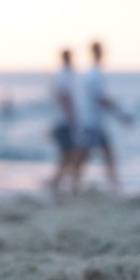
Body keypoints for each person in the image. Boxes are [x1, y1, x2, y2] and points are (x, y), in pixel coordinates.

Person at [74, 41, 133, 193]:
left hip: (96, 122)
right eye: (101, 50)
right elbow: (101, 98)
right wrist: (121, 114)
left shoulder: (92, 73)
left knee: (107, 153)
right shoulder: (95, 74)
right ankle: (76, 183)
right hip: (92, 122)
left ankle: (113, 184)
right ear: (97, 52)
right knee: (86, 153)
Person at [47, 49, 80, 200]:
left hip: (60, 121)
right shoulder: (65, 75)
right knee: (69, 155)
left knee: (67, 156)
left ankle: (60, 184)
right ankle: (65, 186)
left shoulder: (62, 75)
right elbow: (65, 98)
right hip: (64, 122)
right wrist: (73, 118)